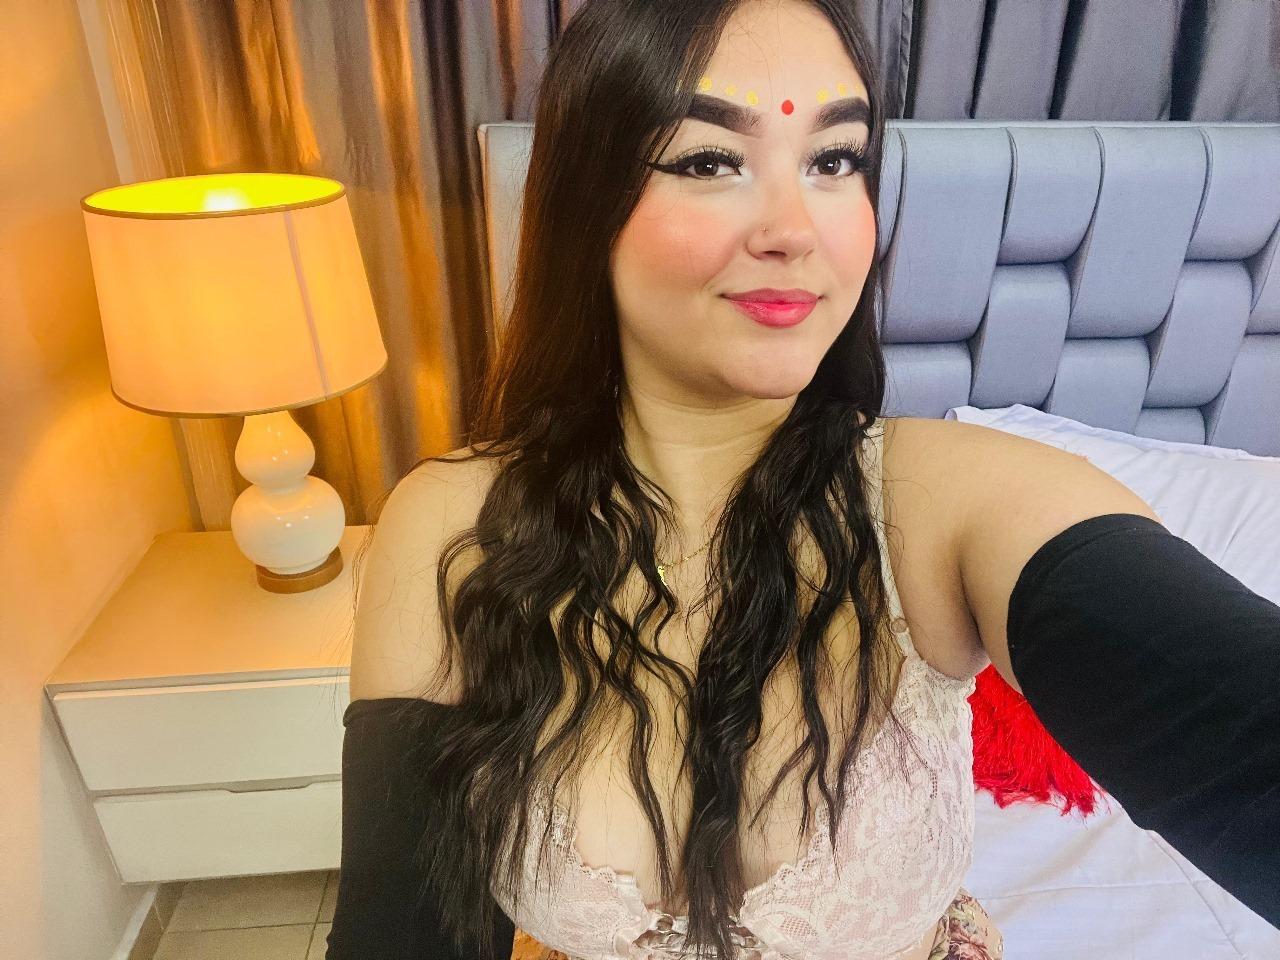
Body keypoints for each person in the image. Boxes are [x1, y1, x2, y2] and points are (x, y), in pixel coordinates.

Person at [327, 1, 1280, 958]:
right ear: (587, 203)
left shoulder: (943, 502)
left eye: (835, 160)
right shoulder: (455, 525)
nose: (795, 229)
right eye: (710, 161)